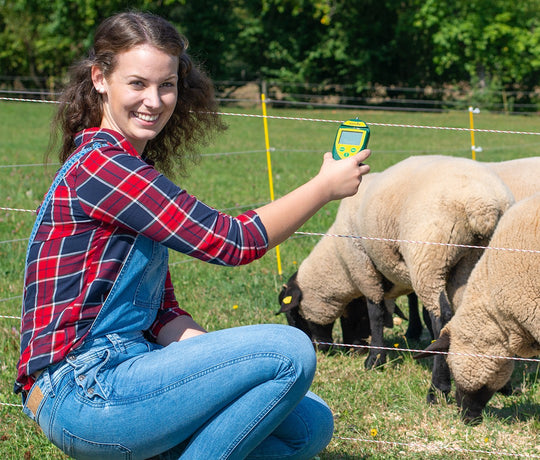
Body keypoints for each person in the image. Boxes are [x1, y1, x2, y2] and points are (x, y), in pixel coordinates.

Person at [15, 11, 370, 460]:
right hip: (82, 390)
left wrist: (228, 367)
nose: (155, 100)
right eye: (138, 83)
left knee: (307, 425)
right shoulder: (102, 168)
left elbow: (161, 315)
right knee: (289, 351)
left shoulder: (129, 170)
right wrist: (324, 187)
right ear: (100, 79)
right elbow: (233, 242)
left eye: (167, 85)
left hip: (126, 371)